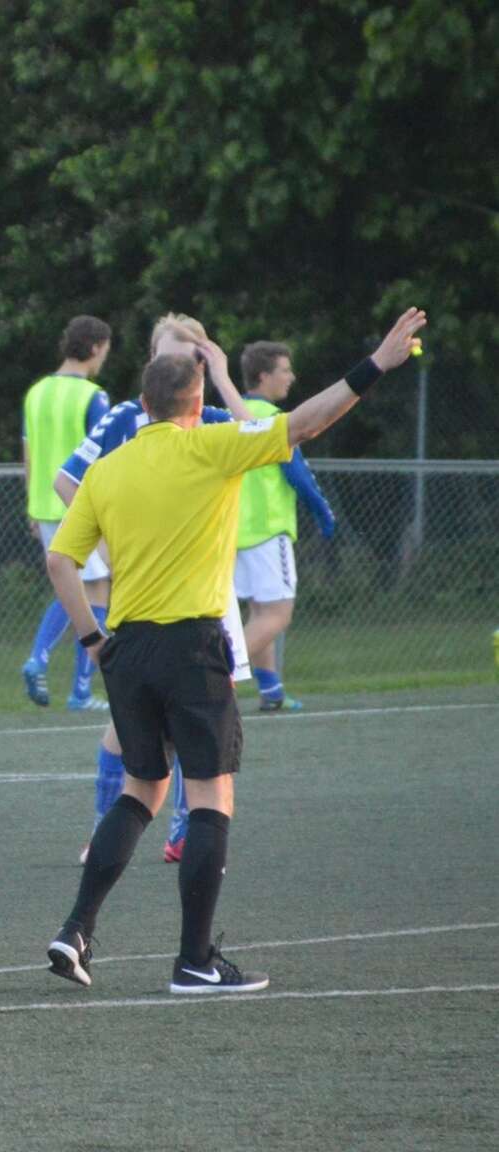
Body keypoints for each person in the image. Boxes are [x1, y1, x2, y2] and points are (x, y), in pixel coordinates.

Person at [44, 307, 426, 995]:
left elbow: (59, 562)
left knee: (139, 791)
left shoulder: (106, 472)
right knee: (211, 797)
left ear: (143, 405)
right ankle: (194, 962)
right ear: (196, 406)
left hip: (128, 648)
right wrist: (378, 362)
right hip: (191, 647)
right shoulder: (211, 448)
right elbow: (305, 423)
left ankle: (74, 930)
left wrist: (93, 639)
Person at [54, 313, 256, 864]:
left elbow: (259, 436)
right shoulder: (124, 416)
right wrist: (107, 544)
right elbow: (66, 480)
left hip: (202, 595)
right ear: (151, 362)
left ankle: (186, 827)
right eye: (172, 354)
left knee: (206, 715)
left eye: (195, 357)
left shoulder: (210, 419)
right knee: (126, 727)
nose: (183, 365)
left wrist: (220, 379)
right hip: (146, 597)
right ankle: (106, 828)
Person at [234, 341, 337, 712]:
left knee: (259, 613)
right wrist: (323, 512)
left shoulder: (230, 414)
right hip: (267, 528)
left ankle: (271, 689)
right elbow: (297, 473)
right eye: (284, 370)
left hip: (232, 531)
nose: (291, 377)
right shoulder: (276, 420)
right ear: (264, 376)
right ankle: (215, 677)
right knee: (277, 615)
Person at [21, 316, 113, 711]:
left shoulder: (36, 392)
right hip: (78, 502)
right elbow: (102, 457)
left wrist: (31, 502)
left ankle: (70, 682)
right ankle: (65, 679)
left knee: (77, 584)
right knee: (92, 589)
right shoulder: (94, 396)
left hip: (44, 503)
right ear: (94, 348)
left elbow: (28, 451)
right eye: (105, 350)